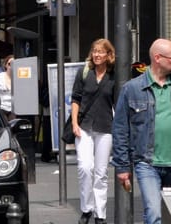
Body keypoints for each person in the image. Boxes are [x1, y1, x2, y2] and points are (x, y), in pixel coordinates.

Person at [111, 38, 171, 224]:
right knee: (154, 211)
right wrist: (122, 167)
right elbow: (120, 129)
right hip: (147, 162)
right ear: (157, 58)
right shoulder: (132, 88)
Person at [73, 39, 118, 224]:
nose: (97, 55)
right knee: (85, 168)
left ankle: (100, 214)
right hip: (84, 127)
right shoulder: (84, 73)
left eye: (101, 52)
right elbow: (75, 98)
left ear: (109, 55)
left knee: (101, 172)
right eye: (94, 51)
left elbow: (118, 103)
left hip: (105, 127)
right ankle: (86, 209)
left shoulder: (114, 76)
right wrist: (75, 123)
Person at [0, 53, 15, 120]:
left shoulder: (19, 77)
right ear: (6, 65)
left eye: (15, 64)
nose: (12, 66)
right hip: (2, 109)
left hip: (15, 110)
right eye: (10, 64)